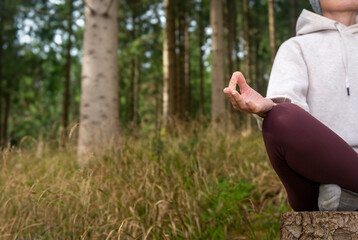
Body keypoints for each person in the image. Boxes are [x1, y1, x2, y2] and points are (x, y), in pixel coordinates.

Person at [223, 0, 358, 211]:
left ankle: (347, 196)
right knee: (280, 117)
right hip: (314, 176)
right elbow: (291, 121)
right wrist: (268, 107)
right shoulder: (296, 47)